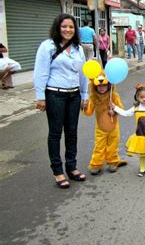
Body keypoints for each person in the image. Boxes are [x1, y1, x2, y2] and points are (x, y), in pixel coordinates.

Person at [33, 13, 89, 189]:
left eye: (71, 27)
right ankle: (58, 171)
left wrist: (85, 94)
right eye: (64, 26)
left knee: (72, 132)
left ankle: (71, 167)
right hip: (55, 95)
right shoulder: (48, 46)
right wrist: (40, 96)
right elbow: (40, 72)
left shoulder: (78, 48)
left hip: (74, 95)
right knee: (55, 133)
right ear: (58, 27)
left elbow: (83, 73)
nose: (68, 30)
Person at [84, 72, 128, 174]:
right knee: (99, 146)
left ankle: (113, 162)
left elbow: (121, 109)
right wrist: (85, 107)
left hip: (113, 127)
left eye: (104, 85)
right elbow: (89, 112)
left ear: (109, 85)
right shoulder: (94, 98)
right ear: (94, 86)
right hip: (100, 129)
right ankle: (96, 164)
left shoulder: (114, 96)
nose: (102, 88)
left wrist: (115, 110)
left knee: (113, 144)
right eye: (99, 86)